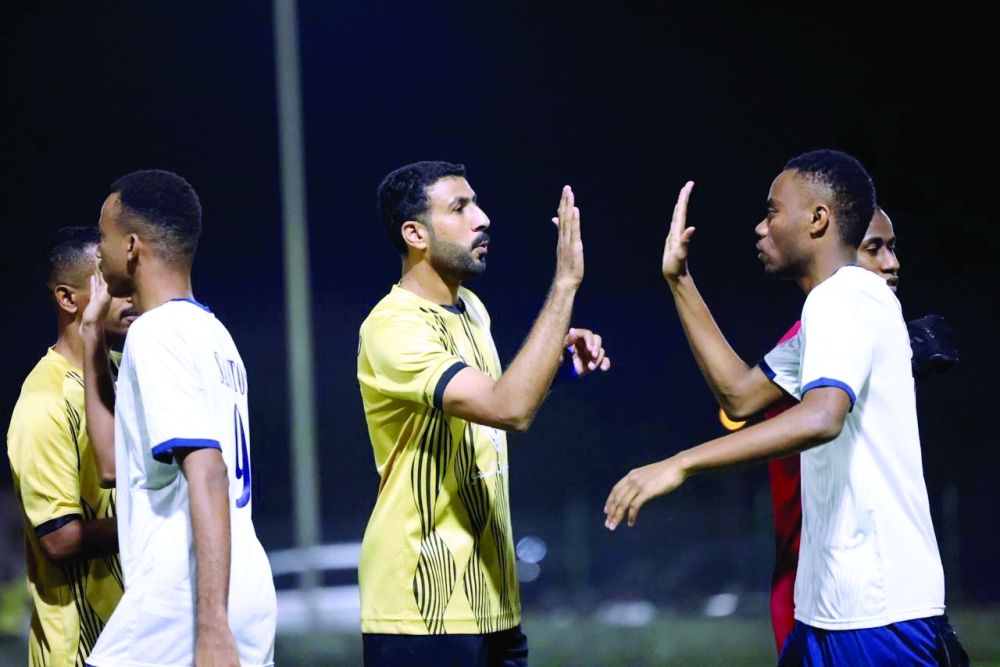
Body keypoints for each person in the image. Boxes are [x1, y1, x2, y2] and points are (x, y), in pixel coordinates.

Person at [604, 150, 967, 665]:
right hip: (828, 612)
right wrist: (679, 280)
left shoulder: (842, 297)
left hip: (878, 615)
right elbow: (739, 394)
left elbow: (822, 416)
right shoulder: (829, 309)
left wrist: (680, 464)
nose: (760, 226)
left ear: (818, 219)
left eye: (772, 211)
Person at [358, 161, 610, 666]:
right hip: (422, 611)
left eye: (476, 202)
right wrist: (564, 285)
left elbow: (490, 399)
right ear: (416, 234)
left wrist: (553, 368)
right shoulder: (392, 327)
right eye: (460, 207)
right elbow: (509, 409)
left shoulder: (472, 308)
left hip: (493, 604)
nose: (483, 217)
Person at [84, 170, 276, 667]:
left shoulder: (156, 335)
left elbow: (207, 469)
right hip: (246, 584)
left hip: (182, 597)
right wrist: (92, 341)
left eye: (102, 236)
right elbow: (113, 468)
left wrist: (210, 626)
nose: (98, 253)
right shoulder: (215, 334)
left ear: (130, 245)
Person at [764, 206, 959, 653]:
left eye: (892, 248)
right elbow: (748, 397)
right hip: (814, 583)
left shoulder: (853, 321)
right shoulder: (811, 331)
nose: (892, 263)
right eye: (875, 249)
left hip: (858, 592)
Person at [6, 226, 135, 666]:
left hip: (141, 639)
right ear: (67, 299)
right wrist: (164, 521)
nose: (131, 295)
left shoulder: (126, 372)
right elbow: (59, 539)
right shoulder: (43, 402)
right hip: (81, 652)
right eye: (113, 284)